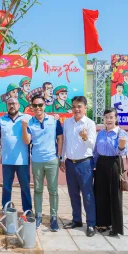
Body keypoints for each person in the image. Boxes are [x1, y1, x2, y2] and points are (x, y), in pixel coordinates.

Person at [22, 94, 63, 230]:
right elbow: (27, 141)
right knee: (38, 190)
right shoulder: (30, 122)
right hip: (37, 161)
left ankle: (53, 217)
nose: (38, 108)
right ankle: (38, 216)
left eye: (40, 105)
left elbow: (60, 137)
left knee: (53, 190)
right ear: (32, 107)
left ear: (45, 105)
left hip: (52, 160)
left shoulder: (54, 120)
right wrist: (24, 126)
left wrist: (59, 156)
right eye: (35, 105)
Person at [60, 96, 96, 237]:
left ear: (85, 108)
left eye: (79, 106)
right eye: (74, 106)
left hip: (85, 163)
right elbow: (65, 143)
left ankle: (91, 223)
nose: (76, 109)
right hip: (70, 164)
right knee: (73, 194)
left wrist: (85, 137)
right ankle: (76, 220)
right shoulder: (67, 123)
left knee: (87, 195)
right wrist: (62, 159)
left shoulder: (90, 123)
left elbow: (92, 145)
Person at [0, 97, 32, 213]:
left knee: (25, 187)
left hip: (23, 160)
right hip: (7, 160)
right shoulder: (1, 120)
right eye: (9, 104)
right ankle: (6, 209)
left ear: (19, 105)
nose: (12, 106)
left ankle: (28, 210)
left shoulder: (27, 118)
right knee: (6, 187)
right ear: (6, 106)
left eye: (14, 103)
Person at [93, 108, 127, 236]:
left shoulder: (121, 133)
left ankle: (116, 227)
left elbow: (122, 152)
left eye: (111, 117)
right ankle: (102, 223)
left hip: (114, 164)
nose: (108, 120)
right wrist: (93, 166)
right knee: (100, 194)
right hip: (101, 164)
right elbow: (96, 151)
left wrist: (122, 146)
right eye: (106, 117)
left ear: (116, 118)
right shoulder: (100, 133)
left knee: (114, 194)